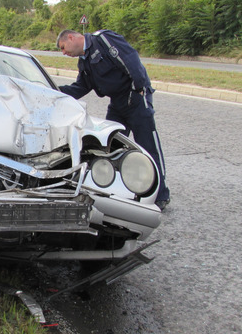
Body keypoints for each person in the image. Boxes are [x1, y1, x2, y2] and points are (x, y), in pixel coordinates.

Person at [55, 29, 171, 210]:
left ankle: (161, 195)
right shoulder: (84, 62)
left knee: (148, 146)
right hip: (117, 103)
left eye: (63, 47)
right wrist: (53, 90)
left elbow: (131, 59)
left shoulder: (103, 40)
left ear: (71, 37)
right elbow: (80, 88)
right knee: (109, 148)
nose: (64, 53)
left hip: (135, 99)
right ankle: (120, 191)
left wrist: (139, 90)